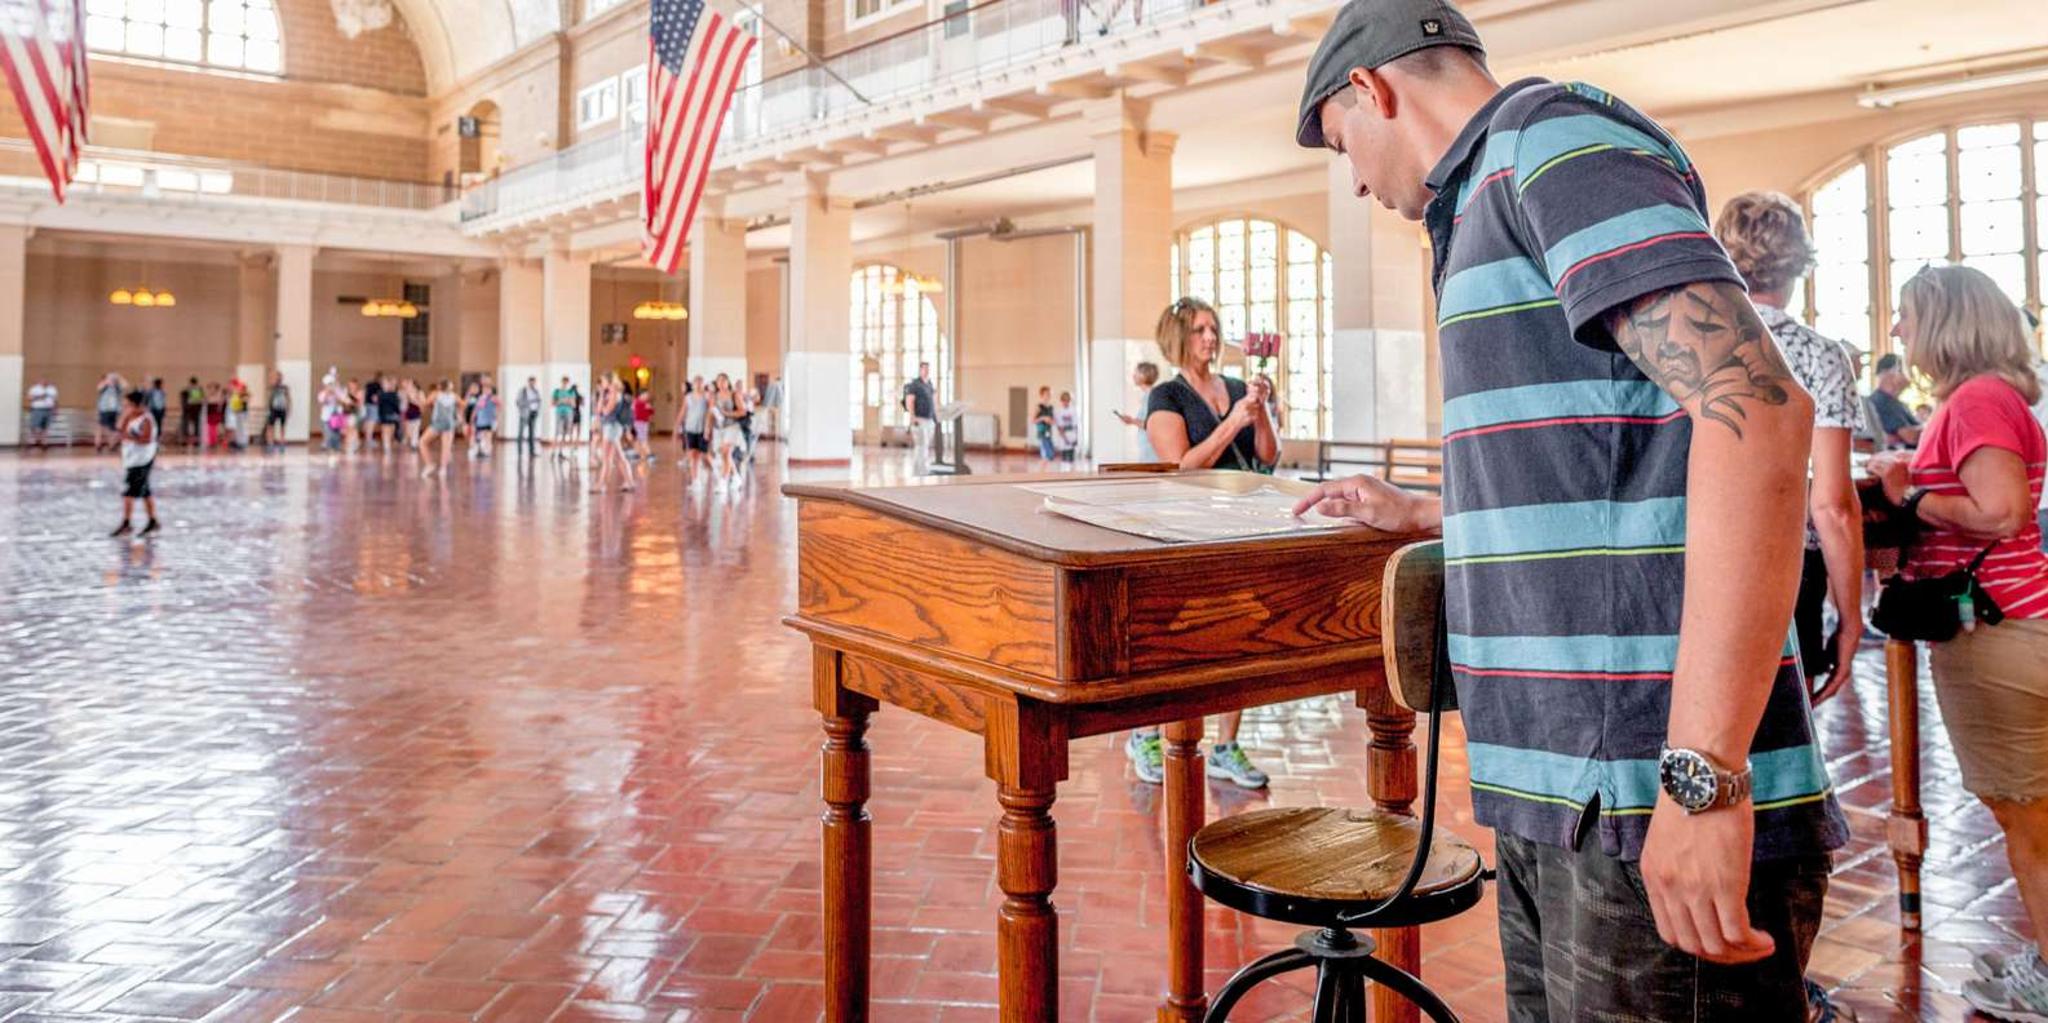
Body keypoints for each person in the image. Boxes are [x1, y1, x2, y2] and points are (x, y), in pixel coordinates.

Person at [1290, 4, 1845, 1016]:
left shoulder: (1551, 143)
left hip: (1644, 783)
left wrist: (1700, 783)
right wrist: (1421, 514)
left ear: (1370, 91)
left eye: (1341, 146)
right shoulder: (1482, 201)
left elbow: (1757, 418)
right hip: (1562, 789)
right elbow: (1602, 470)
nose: (1356, 181)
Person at [1865, 266, 2048, 1023]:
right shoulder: (1986, 397)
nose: (1900, 334)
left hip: (1998, 633)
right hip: (2018, 622)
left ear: (1946, 322)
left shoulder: (1975, 399)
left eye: (1907, 317)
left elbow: (2001, 512)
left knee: (2027, 822)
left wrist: (1907, 491)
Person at [1715, 193, 1865, 708]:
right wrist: (1850, 618)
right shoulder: (1822, 357)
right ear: (1799, 260)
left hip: (1700, 560)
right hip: (1787, 564)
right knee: (1787, 734)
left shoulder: (1692, 354)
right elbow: (1832, 507)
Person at [1125, 296, 1280, 790]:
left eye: (1213, 329)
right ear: (1177, 337)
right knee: (1180, 638)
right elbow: (1182, 467)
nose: (1210, 339)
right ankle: (1147, 734)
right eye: (1198, 331)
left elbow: (1268, 458)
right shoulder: (1166, 397)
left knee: (1242, 636)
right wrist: (1234, 420)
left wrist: (1261, 412)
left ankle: (1226, 745)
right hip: (1189, 529)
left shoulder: (1234, 386)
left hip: (1240, 524)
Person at [110, 389, 160, 538]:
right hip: (131, 459)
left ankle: (127, 522)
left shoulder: (146, 419)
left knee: (129, 492)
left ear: (134, 404)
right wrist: (124, 417)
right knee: (145, 492)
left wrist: (128, 437)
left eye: (127, 403)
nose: (124, 406)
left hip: (142, 460)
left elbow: (147, 439)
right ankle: (152, 521)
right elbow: (120, 428)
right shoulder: (130, 416)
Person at [1870, 353, 1923, 448]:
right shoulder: (1882, 401)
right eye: (1904, 370)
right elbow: (1910, 437)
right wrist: (1931, 426)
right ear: (1887, 373)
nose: (1910, 376)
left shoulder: (1897, 403)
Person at [1114, 361, 1163, 462]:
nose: (1133, 376)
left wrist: (1131, 421)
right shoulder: (1148, 396)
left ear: (1144, 375)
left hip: (1151, 452)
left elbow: (1151, 424)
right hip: (1147, 450)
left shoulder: (1151, 396)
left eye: (1136, 373)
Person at [903, 361, 938, 474]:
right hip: (919, 419)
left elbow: (933, 400)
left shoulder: (929, 384)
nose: (927, 371)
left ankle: (923, 469)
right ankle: (919, 471)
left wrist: (935, 416)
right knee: (921, 445)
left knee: (926, 446)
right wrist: (913, 418)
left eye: (928, 369)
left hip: (929, 419)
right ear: (920, 370)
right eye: (924, 369)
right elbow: (909, 402)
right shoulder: (915, 385)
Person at [419, 380, 458, 477]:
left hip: (437, 423)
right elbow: (463, 405)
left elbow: (425, 404)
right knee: (446, 447)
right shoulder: (454, 396)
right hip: (449, 424)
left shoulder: (435, 394)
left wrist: (419, 398)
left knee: (422, 442)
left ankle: (429, 464)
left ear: (440, 386)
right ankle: (443, 469)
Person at [676, 375, 711, 481]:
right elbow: (683, 412)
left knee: (704, 456)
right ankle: (695, 480)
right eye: (696, 382)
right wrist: (676, 427)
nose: (698, 385)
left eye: (701, 382)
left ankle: (715, 472)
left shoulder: (707, 396)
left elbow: (710, 413)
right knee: (692, 455)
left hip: (703, 428)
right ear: (693, 384)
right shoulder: (688, 397)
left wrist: (708, 428)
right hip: (690, 428)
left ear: (703, 384)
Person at [94, 373, 123, 453]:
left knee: (113, 429)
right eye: (111, 379)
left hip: (114, 410)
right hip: (104, 409)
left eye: (113, 379)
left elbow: (126, 385)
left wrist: (119, 377)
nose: (112, 381)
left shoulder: (117, 387)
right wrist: (106, 381)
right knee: (101, 427)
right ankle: (98, 445)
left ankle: (112, 445)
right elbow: (99, 388)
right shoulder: (104, 386)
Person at [25, 377, 57, 450]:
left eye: (46, 380)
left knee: (45, 427)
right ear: (39, 381)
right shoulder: (34, 389)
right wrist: (39, 397)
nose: (44, 381)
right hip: (37, 409)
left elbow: (55, 400)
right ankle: (32, 441)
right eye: (42, 380)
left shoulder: (52, 389)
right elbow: (29, 398)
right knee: (34, 426)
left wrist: (55, 409)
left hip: (48, 409)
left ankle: (44, 442)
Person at [1051, 391, 1080, 466]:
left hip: (1071, 434)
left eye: (1067, 401)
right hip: (1063, 435)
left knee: (1071, 458)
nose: (1066, 402)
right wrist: (1065, 438)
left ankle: (1071, 473)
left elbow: (1075, 425)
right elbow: (1059, 426)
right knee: (1064, 458)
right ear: (1061, 401)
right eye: (1064, 401)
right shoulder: (1058, 411)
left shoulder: (1073, 410)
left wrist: (1076, 438)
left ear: (1069, 401)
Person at [516, 376, 542, 458]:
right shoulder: (523, 391)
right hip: (524, 414)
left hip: (533, 413)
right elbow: (518, 402)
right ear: (528, 382)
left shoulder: (536, 391)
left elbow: (539, 401)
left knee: (532, 434)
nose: (533, 383)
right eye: (531, 382)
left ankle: (532, 451)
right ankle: (519, 452)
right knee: (521, 433)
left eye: (534, 382)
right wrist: (529, 402)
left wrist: (537, 409)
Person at [1031, 386, 1057, 468]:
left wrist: (1051, 421)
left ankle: (1044, 471)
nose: (1048, 395)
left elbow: (1053, 421)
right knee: (1046, 454)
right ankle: (1042, 473)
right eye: (1046, 394)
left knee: (1050, 455)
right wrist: (1043, 418)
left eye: (1049, 394)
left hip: (1048, 432)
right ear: (1041, 395)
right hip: (1042, 432)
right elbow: (1033, 420)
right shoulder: (1039, 407)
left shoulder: (1051, 407)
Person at [470, 383, 498, 458]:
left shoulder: (493, 398)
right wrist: (473, 417)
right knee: (480, 436)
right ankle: (480, 451)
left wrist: (495, 417)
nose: (485, 391)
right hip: (480, 421)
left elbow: (499, 406)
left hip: (489, 421)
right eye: (484, 389)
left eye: (487, 389)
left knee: (488, 437)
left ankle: (487, 452)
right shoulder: (481, 398)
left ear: (491, 391)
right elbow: (477, 408)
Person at [265, 371, 290, 451]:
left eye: (280, 377)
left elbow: (288, 398)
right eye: (277, 377)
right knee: (270, 426)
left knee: (282, 426)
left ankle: (282, 442)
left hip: (282, 409)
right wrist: (268, 408)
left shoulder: (284, 387)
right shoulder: (272, 387)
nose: (278, 379)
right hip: (273, 409)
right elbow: (269, 397)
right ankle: (270, 442)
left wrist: (288, 408)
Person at [552, 376, 575, 452]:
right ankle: (554, 451)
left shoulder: (571, 392)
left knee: (568, 432)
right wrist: (561, 401)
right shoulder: (557, 391)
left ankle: (566, 451)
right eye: (564, 382)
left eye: (566, 382)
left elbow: (573, 404)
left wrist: (567, 401)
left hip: (568, 413)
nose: (565, 384)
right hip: (559, 412)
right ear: (561, 382)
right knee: (557, 432)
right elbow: (553, 403)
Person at [631, 387, 655, 462]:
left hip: (644, 423)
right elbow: (634, 412)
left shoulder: (645, 403)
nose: (647, 396)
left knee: (639, 438)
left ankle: (636, 453)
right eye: (645, 394)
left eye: (647, 395)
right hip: (639, 423)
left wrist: (649, 408)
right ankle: (649, 454)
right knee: (643, 438)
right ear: (641, 395)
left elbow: (652, 412)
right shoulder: (637, 402)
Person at [180, 376, 203, 445]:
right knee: (187, 426)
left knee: (195, 426)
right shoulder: (186, 391)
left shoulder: (197, 390)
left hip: (193, 410)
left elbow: (200, 400)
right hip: (189, 411)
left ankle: (195, 441)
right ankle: (186, 441)